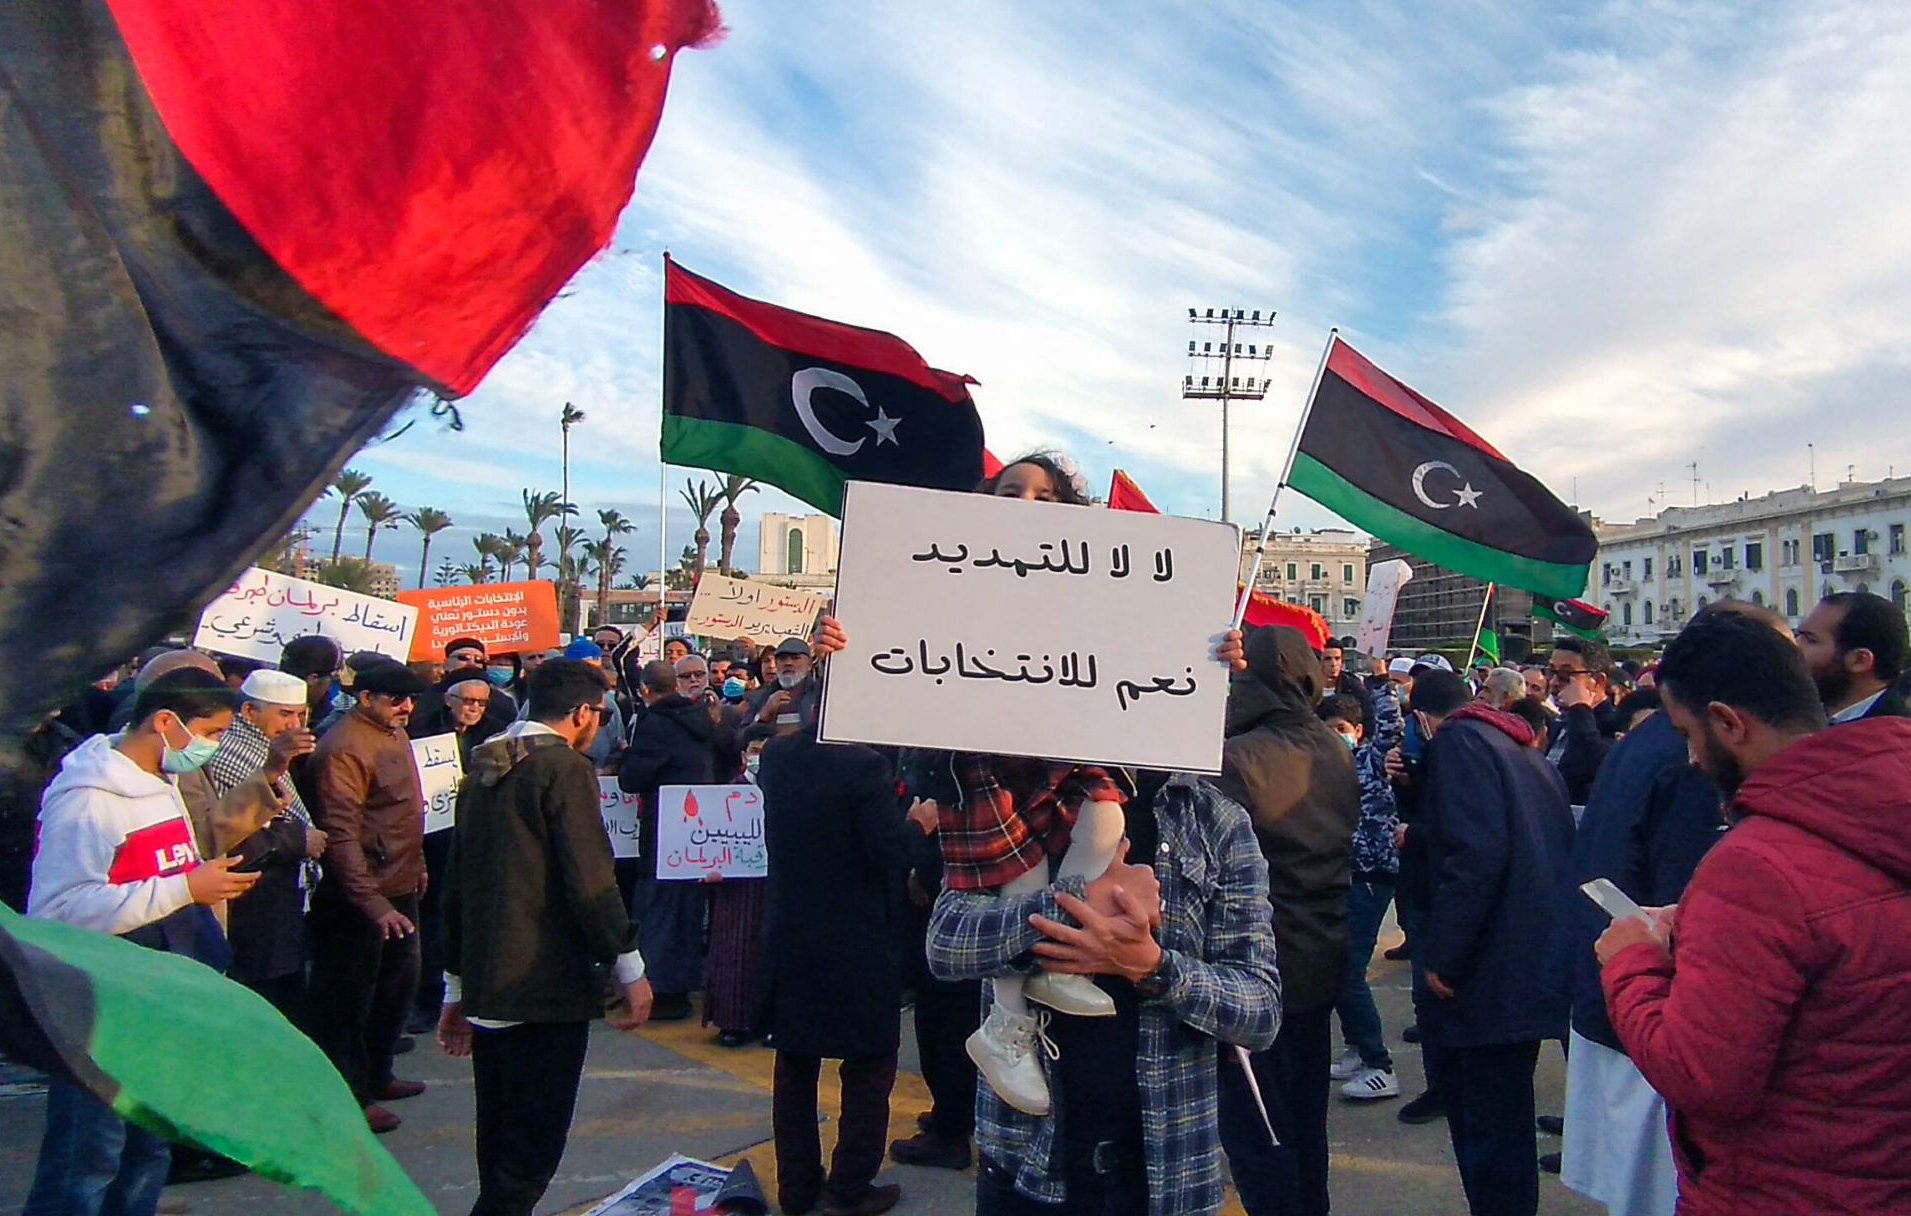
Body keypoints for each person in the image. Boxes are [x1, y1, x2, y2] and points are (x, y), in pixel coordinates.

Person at [1597, 607, 1911, 1215]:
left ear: (1727, 723)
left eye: (1689, 734)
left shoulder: (1756, 866)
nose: (1692, 758)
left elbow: (1699, 1076)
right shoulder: (1880, 801)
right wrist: (1709, 932)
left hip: (1779, 1185)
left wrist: (1632, 962)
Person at [923, 744, 1281, 1216]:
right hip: (1027, 1159)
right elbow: (946, 943)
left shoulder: (1214, 821)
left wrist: (1150, 966)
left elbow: (1259, 1011)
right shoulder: (1018, 788)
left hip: (1168, 1173)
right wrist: (1073, 907)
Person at [23, 669, 261, 1216]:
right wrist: (184, 889)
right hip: (102, 1006)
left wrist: (199, 890)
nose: (213, 747)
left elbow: (165, 875)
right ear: (165, 722)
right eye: (211, 732)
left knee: (148, 1148)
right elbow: (57, 912)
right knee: (88, 1156)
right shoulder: (88, 801)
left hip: (159, 998)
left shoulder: (160, 781)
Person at [436, 659, 652, 1216]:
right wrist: (629, 966)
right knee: (530, 1155)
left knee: (498, 1140)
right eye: (599, 714)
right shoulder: (563, 769)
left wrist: (455, 985)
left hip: (488, 982)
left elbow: (455, 884)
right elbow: (591, 878)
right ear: (582, 713)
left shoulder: (484, 766)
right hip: (542, 985)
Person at [1557, 638, 1725, 1216]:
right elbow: (1689, 892)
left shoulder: (1650, 739)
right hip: (1656, 1010)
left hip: (1627, 1000)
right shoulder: (1693, 753)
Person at [1414, 670, 1575, 1216]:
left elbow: (1474, 853)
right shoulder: (1519, 749)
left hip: (1487, 969)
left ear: (1423, 720)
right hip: (1528, 959)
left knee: (1488, 1132)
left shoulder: (1459, 744)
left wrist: (1445, 956)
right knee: (1506, 1122)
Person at [1213, 626, 1362, 1216]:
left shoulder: (1235, 758)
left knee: (1260, 1130)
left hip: (1257, 964)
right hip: (1320, 955)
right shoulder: (1335, 747)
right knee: (1304, 1118)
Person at [758, 694, 924, 1216]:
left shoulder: (777, 757)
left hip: (791, 931)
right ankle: (851, 1186)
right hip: (856, 938)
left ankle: (797, 1186)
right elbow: (888, 851)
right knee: (870, 1062)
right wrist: (920, 824)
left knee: (795, 1062)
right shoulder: (864, 767)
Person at [307, 660, 431, 1133]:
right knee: (347, 1002)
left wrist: (417, 863)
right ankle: (349, 1097)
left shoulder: (392, 734)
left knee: (394, 988)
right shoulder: (344, 747)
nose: (406, 707)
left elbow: (404, 810)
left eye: (411, 699)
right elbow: (340, 833)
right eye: (396, 699)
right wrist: (371, 902)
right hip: (359, 896)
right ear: (365, 699)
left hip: (398, 881)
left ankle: (378, 1074)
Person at [192, 670, 327, 1023]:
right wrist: (299, 839)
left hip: (282, 895)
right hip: (253, 900)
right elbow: (228, 831)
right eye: (284, 714)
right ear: (249, 712)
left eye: (301, 715)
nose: (294, 724)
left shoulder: (269, 749)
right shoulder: (227, 753)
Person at [617, 658, 718, 1021]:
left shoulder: (655, 722)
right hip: (697, 823)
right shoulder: (703, 719)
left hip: (663, 824)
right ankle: (681, 984)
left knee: (658, 906)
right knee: (687, 906)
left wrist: (626, 758)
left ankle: (660, 988)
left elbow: (633, 777)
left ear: (645, 690)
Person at [405, 673, 507, 1033]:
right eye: (468, 701)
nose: (474, 709)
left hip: (477, 838)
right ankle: (428, 999)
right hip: (432, 839)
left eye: (481, 702)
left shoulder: (497, 733)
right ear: (449, 701)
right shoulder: (422, 731)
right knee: (433, 921)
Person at [1320, 688, 1405, 1103]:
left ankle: (1379, 1065)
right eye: (1327, 729)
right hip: (1344, 876)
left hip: (1373, 877)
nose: (1335, 737)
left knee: (1349, 972)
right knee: (1338, 968)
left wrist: (1382, 680)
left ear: (1358, 731)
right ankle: (1357, 1047)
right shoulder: (1321, 769)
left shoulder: (1370, 761)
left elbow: (1391, 728)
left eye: (1342, 728)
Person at [1793, 590, 1911, 721]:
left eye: (1810, 640)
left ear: (1859, 660)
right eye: (1796, 635)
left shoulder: (1893, 730)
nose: (1793, 646)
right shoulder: (1804, 718)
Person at [1544, 637, 1619, 806]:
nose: (1554, 682)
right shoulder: (1559, 722)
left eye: (1565, 675)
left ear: (1598, 681)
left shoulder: (1618, 724)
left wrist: (1580, 707)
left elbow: (1593, 763)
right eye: (1551, 672)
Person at [1319, 640, 1375, 732]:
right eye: (1327, 659)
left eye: (1337, 658)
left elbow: (1368, 717)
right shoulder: (1306, 686)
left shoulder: (1353, 686)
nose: (1333, 664)